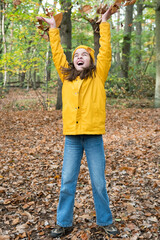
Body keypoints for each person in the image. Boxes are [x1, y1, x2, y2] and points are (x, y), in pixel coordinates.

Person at [37, 6, 120, 238]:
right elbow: (57, 54)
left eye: (84, 54)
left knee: (99, 183)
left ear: (91, 60)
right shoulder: (66, 77)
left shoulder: (98, 75)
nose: (79, 57)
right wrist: (53, 29)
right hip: (72, 138)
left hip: (93, 137)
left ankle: (105, 221)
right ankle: (63, 223)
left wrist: (104, 23)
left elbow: (105, 51)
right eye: (76, 56)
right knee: (67, 182)